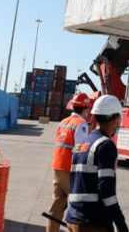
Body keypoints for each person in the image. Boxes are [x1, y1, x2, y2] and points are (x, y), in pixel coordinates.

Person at [66, 95, 129, 232]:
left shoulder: (81, 144)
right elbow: (106, 190)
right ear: (115, 119)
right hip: (93, 222)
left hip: (73, 219)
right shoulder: (105, 146)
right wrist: (121, 223)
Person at [48, 92, 91, 232]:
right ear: (85, 109)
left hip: (57, 167)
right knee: (80, 204)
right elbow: (81, 151)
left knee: (58, 204)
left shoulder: (63, 122)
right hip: (68, 169)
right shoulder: (81, 125)